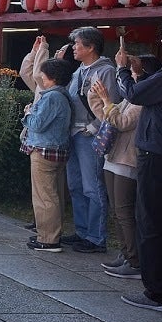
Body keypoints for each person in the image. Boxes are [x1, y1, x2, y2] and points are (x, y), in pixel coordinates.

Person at [92, 54, 161, 279]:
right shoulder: (134, 96)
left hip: (128, 158)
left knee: (124, 212)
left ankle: (134, 260)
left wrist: (106, 99)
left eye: (134, 71)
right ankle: (126, 253)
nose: (130, 76)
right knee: (116, 210)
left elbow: (121, 122)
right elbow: (109, 117)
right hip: (114, 156)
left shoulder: (144, 99)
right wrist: (98, 98)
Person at [115, 25, 162, 312]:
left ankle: (156, 290)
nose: (161, 38)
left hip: (156, 153)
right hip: (157, 150)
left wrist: (123, 70)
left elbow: (133, 94)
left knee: (150, 221)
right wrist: (141, 75)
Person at [59, 27, 120, 253]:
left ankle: (96, 238)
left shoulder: (106, 71)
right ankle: (82, 231)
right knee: (75, 185)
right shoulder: (79, 71)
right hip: (73, 134)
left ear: (91, 47)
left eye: (77, 44)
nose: (74, 48)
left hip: (89, 136)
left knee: (92, 187)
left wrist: (93, 127)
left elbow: (112, 103)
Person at [21, 58, 74, 252]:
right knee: (54, 194)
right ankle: (50, 235)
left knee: (44, 196)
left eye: (43, 74)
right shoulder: (64, 95)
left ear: (52, 77)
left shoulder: (52, 97)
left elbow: (37, 124)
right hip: (57, 150)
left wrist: (28, 112)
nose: (41, 77)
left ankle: (48, 239)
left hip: (44, 151)